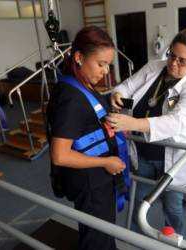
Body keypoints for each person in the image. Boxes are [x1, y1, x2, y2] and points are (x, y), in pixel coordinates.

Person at [107, 28, 186, 235]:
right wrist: (118, 93)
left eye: (182, 60)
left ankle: (174, 242)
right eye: (171, 55)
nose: (173, 63)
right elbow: (128, 85)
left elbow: (177, 121)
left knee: (172, 208)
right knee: (138, 202)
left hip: (172, 159)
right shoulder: (154, 67)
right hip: (143, 154)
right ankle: (133, 239)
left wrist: (133, 123)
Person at [46, 26, 126, 250]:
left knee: (103, 234)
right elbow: (59, 155)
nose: (105, 71)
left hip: (98, 179)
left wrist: (110, 99)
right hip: (91, 182)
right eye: (101, 64)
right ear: (79, 58)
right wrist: (105, 162)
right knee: (96, 240)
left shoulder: (82, 84)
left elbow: (87, 113)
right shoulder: (70, 97)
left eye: (108, 65)